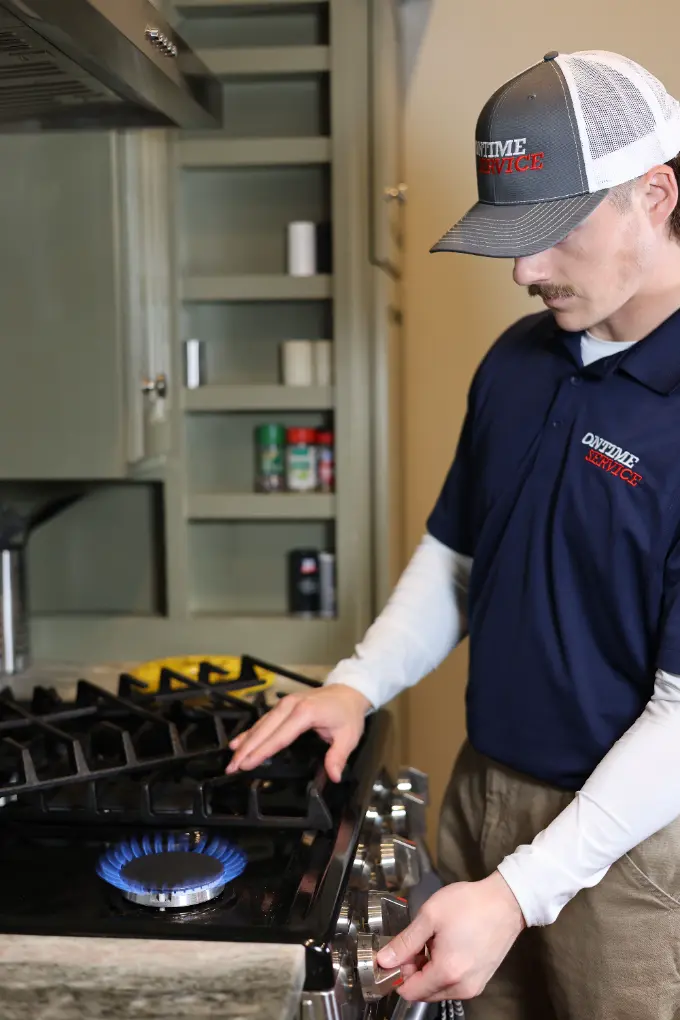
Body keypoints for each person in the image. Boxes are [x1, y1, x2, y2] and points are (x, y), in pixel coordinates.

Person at [227, 49, 680, 1019]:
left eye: (549, 232)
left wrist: (520, 890)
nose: (522, 270)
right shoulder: (518, 361)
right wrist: (355, 684)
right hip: (479, 804)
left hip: (636, 849)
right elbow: (458, 561)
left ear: (654, 194)